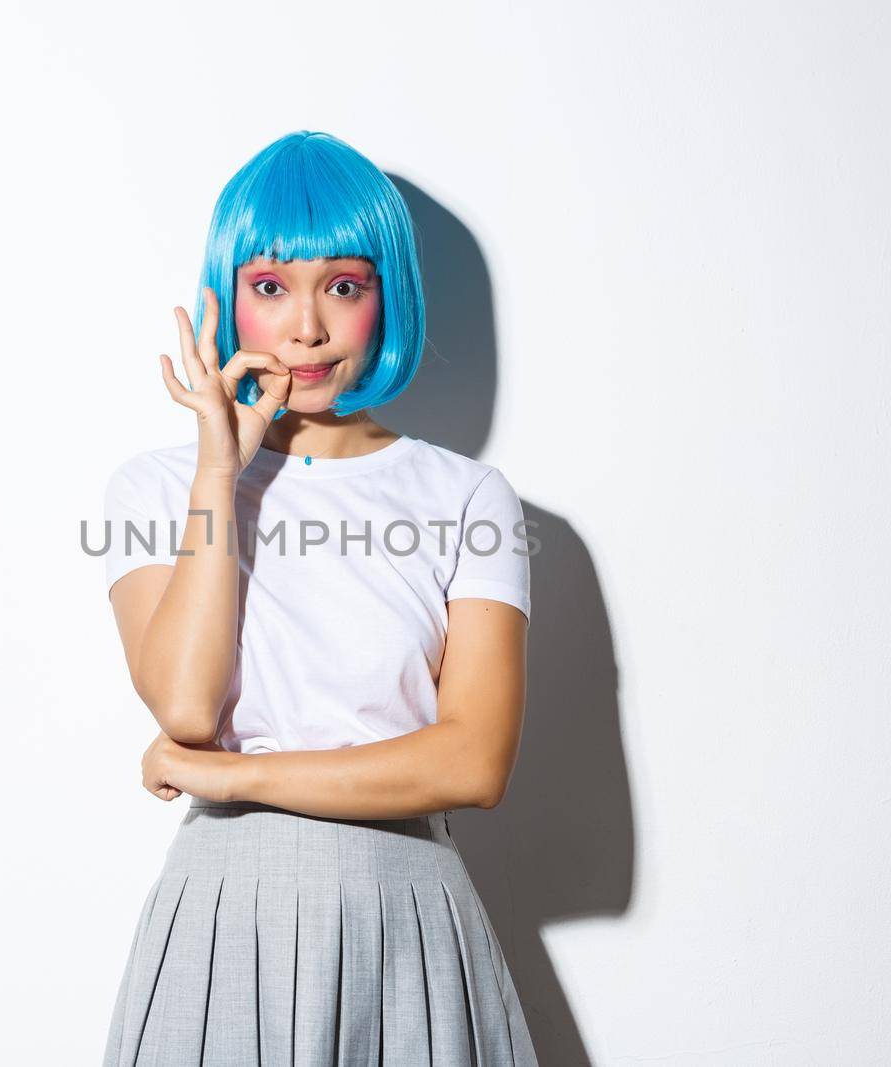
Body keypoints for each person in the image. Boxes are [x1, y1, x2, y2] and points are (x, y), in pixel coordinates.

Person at [99, 130, 539, 1065]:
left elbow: (473, 761)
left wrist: (234, 774)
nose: (306, 328)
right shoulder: (154, 488)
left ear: (388, 299)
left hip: (406, 911)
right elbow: (182, 704)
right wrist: (220, 471)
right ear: (228, 297)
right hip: (225, 913)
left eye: (342, 285)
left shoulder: (466, 497)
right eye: (270, 287)